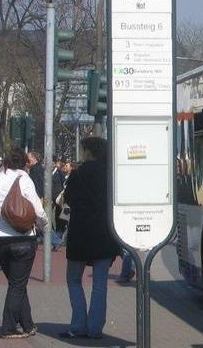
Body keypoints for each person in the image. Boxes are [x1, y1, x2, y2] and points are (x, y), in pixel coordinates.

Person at [0, 147, 48, 339]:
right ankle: (8, 327)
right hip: (22, 238)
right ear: (24, 164)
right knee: (17, 285)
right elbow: (38, 210)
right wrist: (45, 226)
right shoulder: (23, 179)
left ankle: (27, 325)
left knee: (17, 283)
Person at [60, 137, 121, 340]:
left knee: (74, 279)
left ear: (88, 151)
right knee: (100, 284)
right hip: (105, 235)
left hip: (81, 235)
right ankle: (95, 329)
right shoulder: (111, 173)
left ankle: (78, 326)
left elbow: (68, 198)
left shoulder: (79, 173)